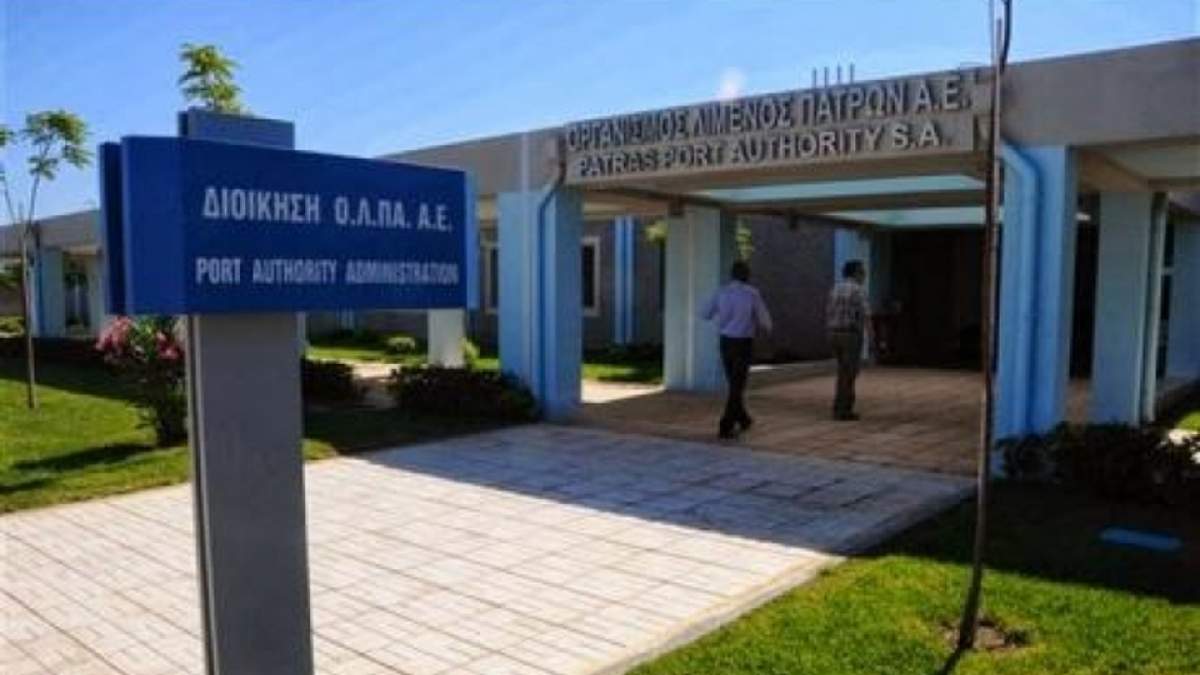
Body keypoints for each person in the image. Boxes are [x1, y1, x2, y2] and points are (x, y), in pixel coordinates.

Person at [702, 260, 773, 439]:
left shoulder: (721, 291)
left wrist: (721, 318)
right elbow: (764, 318)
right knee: (737, 385)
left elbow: (705, 313)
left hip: (725, 342)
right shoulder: (752, 294)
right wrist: (768, 329)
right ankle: (725, 426)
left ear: (732, 274)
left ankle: (743, 418)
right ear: (746, 275)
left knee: (734, 384)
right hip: (743, 343)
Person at [827, 259, 870, 421]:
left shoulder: (835, 288)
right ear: (856, 273)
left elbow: (829, 311)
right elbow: (866, 315)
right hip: (851, 335)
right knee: (849, 373)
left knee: (842, 371)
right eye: (862, 272)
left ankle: (839, 406)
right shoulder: (858, 290)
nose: (864, 275)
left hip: (834, 333)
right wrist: (872, 337)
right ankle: (843, 409)